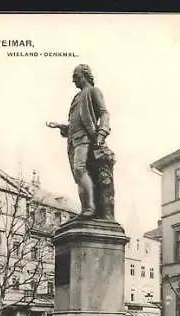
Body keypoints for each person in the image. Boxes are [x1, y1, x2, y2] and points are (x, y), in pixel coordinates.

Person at [46, 64, 113, 219]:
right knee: (78, 175)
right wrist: (60, 126)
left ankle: (90, 208)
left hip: (85, 139)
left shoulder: (93, 91)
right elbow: (76, 123)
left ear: (85, 75)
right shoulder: (77, 97)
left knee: (79, 169)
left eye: (75, 76)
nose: (73, 79)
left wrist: (102, 133)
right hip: (73, 141)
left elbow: (104, 113)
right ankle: (85, 209)